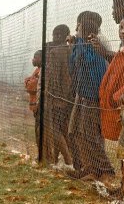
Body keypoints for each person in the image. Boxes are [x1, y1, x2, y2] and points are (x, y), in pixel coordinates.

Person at [67, 11, 115, 184]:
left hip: (93, 94)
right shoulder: (83, 43)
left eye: (78, 26)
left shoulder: (96, 43)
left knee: (91, 134)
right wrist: (76, 44)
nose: (76, 28)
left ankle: (106, 170)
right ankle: (92, 168)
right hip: (83, 92)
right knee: (80, 132)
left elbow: (86, 61)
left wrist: (79, 42)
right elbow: (72, 66)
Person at [47, 24, 73, 167]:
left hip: (57, 97)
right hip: (71, 96)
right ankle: (57, 159)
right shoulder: (71, 49)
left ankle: (68, 160)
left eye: (57, 35)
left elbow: (53, 77)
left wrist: (50, 95)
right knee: (65, 129)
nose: (55, 38)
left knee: (55, 129)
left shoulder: (55, 52)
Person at [24, 50, 44, 159]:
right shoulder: (37, 70)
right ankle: (40, 154)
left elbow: (30, 86)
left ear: (41, 58)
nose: (33, 59)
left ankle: (42, 155)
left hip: (38, 105)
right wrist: (29, 82)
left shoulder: (40, 71)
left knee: (39, 131)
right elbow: (29, 84)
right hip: (35, 105)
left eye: (35, 57)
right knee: (37, 130)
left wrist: (28, 81)